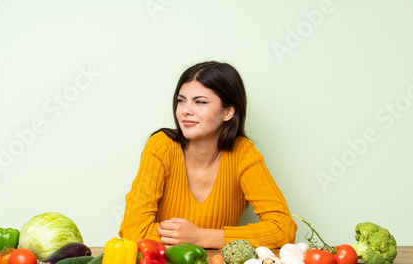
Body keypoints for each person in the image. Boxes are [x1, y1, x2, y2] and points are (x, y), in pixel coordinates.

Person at [119, 61, 296, 249]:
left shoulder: (243, 153)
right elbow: (133, 231)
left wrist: (200, 237)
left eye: (200, 102)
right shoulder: (161, 146)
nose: (185, 110)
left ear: (228, 112)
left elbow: (283, 229)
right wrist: (196, 239)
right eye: (181, 100)